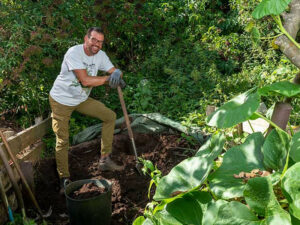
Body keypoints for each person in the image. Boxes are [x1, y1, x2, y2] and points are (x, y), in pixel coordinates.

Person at [49, 27, 124, 193]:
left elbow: (114, 71)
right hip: (61, 100)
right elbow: (85, 81)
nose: (96, 44)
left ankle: (105, 159)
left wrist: (118, 73)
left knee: (109, 116)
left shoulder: (101, 55)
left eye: (100, 42)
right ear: (86, 38)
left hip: (81, 99)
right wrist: (108, 79)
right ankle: (64, 178)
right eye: (94, 40)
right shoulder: (73, 53)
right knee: (62, 140)